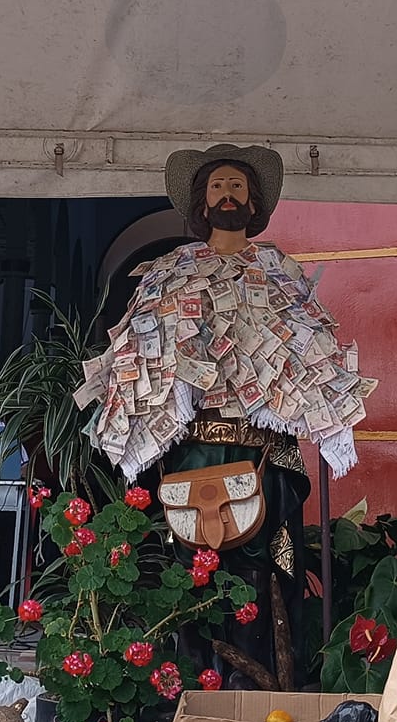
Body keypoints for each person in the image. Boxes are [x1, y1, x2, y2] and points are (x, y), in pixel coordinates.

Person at [74, 143, 376, 686]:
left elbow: (315, 352)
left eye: (237, 186)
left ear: (253, 200)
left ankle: (270, 679)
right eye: (218, 187)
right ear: (202, 201)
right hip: (193, 448)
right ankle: (195, 682)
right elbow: (138, 359)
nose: (228, 195)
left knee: (270, 564)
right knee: (193, 566)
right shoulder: (169, 272)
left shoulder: (278, 271)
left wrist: (327, 416)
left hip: (264, 449)